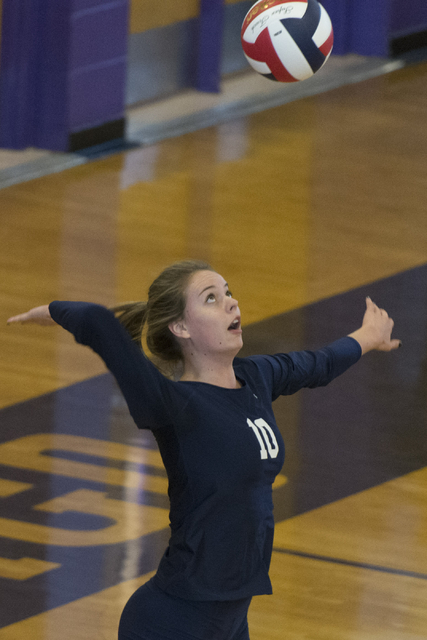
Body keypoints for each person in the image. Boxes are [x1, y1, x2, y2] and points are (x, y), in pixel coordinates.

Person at [7, 259, 401, 640]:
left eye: (228, 292)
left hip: (228, 619)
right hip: (173, 622)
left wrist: (368, 337)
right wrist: (53, 311)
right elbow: (97, 321)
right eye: (211, 298)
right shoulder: (173, 405)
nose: (231, 302)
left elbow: (318, 364)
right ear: (180, 326)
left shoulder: (256, 377)